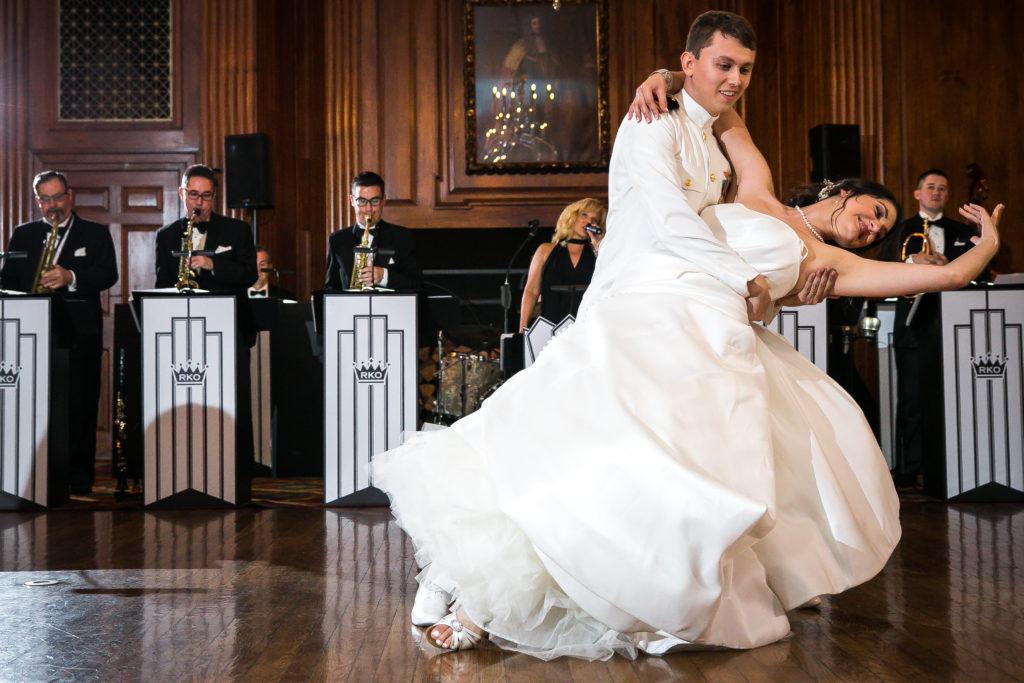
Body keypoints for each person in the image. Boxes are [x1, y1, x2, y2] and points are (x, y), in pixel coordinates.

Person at [0, 170, 118, 494]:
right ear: (38, 201)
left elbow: (109, 274)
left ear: (70, 195)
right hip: (32, 335)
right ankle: (35, 474)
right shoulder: (23, 234)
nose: (53, 205)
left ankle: (78, 479)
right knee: (36, 405)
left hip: (81, 335)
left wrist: (71, 276)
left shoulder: (95, 233)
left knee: (80, 406)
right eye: (46, 199)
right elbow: (8, 280)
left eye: (58, 197)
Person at [154, 164, 258, 291]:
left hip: (224, 303)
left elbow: (250, 275)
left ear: (213, 196)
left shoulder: (238, 230)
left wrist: (213, 265)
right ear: (181, 193)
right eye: (193, 194)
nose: (199, 202)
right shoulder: (166, 235)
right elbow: (162, 285)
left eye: (206, 195)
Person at [324, 171, 421, 292]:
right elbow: (330, 289)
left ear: (383, 200)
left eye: (375, 201)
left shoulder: (403, 237)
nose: (368, 209)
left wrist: (384, 276)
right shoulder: (337, 239)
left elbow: (417, 285)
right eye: (362, 201)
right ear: (352, 200)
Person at [519, 198, 605, 331]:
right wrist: (522, 329)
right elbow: (531, 291)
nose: (588, 221)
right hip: (549, 327)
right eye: (584, 215)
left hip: (586, 329)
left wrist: (599, 246)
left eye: (594, 220)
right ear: (572, 216)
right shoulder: (545, 250)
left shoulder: (600, 253)